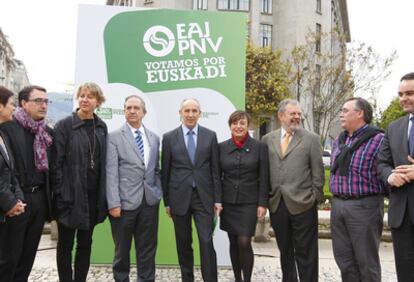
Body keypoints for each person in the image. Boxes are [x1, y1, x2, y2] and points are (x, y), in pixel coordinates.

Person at [262, 99, 324, 282]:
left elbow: (318, 173)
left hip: (304, 204)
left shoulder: (311, 139)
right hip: (277, 204)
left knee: (307, 252)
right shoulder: (267, 139)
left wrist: (314, 198)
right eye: (293, 114)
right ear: (281, 116)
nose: (297, 117)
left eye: (299, 114)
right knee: (285, 250)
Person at [51, 82, 108, 282]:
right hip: (70, 195)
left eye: (90, 96)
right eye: (82, 95)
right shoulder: (64, 125)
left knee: (86, 243)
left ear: (98, 102)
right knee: (65, 244)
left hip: (92, 198)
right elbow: (56, 164)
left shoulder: (101, 126)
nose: (84, 99)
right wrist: (61, 193)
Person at [161, 98, 222, 282]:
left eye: (194, 111)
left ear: (199, 114)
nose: (190, 114)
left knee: (206, 241)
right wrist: (167, 202)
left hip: (204, 198)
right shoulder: (169, 137)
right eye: (186, 110)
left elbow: (215, 170)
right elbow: (166, 171)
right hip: (179, 198)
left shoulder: (210, 136)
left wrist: (218, 199)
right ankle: (187, 278)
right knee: (183, 243)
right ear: (180, 112)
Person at [0, 85, 53, 282]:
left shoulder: (47, 132)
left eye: (46, 101)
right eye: (38, 101)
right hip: (15, 201)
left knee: (28, 256)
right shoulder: (7, 129)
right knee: (9, 257)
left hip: (39, 200)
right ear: (23, 103)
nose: (44, 105)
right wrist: (10, 201)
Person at [106, 95, 162, 282]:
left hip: (149, 202)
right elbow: (111, 173)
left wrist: (157, 192)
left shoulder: (154, 138)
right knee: (121, 251)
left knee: (147, 249)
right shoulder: (113, 137)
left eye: (136, 108)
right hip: (123, 205)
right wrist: (113, 203)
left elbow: (156, 169)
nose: (132, 111)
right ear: (124, 111)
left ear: (143, 112)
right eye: (128, 107)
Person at [330, 97, 385, 282]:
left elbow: (386, 171)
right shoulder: (340, 140)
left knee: (366, 262)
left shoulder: (379, 139)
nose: (341, 114)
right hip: (338, 207)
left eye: (345, 110)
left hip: (364, 207)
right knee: (345, 262)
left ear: (360, 113)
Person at [218, 110, 269, 282]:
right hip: (228, 202)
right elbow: (216, 177)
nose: (238, 126)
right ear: (230, 126)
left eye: (242, 123)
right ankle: (237, 278)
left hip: (249, 202)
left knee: (244, 241)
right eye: (235, 123)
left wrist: (263, 203)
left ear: (248, 126)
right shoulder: (221, 147)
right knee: (233, 242)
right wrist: (217, 200)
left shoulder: (259, 147)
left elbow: (264, 177)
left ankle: (246, 279)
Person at [377, 72, 414, 281]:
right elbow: (382, 163)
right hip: (402, 214)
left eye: (409, 93)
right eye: (400, 94)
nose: (403, 99)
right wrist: (390, 176)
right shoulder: (394, 127)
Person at [0, 86, 27, 282]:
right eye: (11, 104)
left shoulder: (3, 135)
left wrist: (17, 200)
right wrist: (9, 203)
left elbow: (11, 171)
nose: (14, 108)